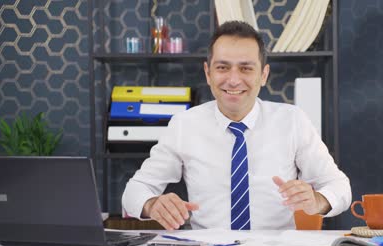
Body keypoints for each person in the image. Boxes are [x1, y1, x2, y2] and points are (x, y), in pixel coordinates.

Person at [122, 21, 351, 230]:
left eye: (246, 68)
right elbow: (133, 192)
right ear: (208, 73)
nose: (233, 80)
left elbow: (340, 187)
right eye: (222, 67)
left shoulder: (293, 120)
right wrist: (152, 204)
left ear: (263, 75)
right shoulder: (184, 125)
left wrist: (317, 201)